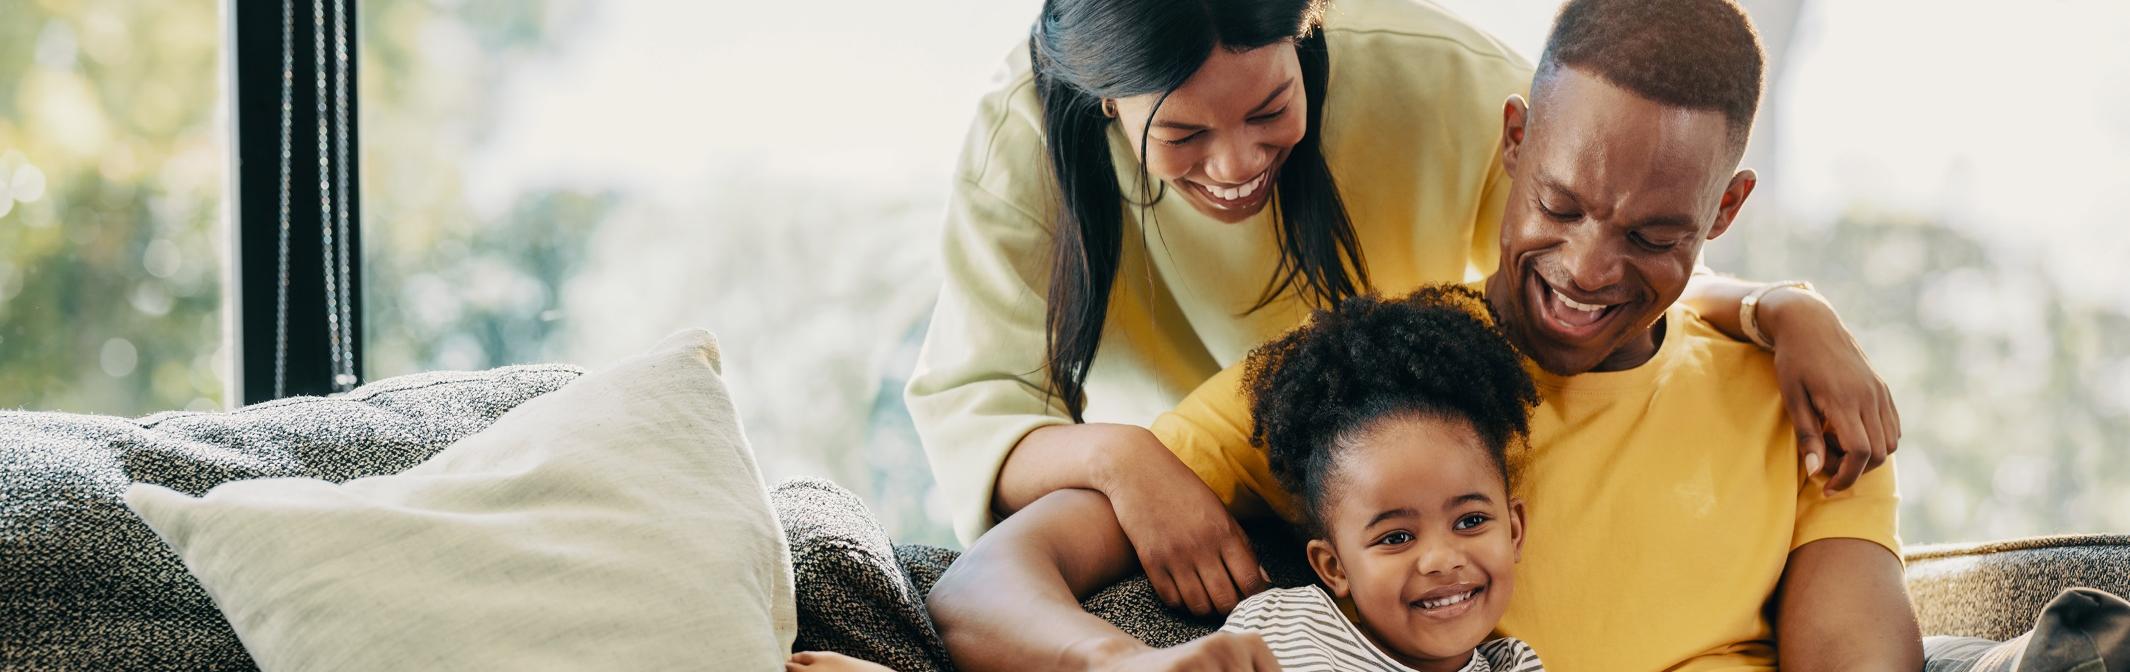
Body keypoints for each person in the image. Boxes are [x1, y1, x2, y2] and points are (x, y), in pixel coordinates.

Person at [926, 0, 1925, 669]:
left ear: (1725, 212)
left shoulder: (1805, 408)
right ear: (1513, 141)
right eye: (1560, 206)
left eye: (1652, 235)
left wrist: (1783, 306)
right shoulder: (1354, 390)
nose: (1586, 267)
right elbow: (985, 585)